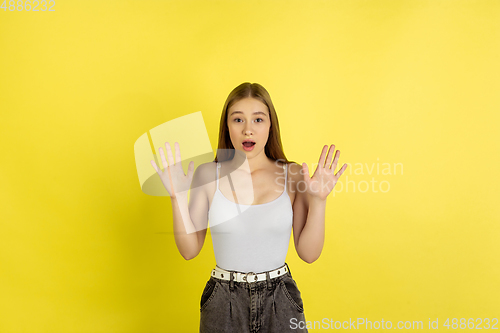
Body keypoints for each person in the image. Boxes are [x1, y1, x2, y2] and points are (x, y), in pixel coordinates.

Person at [151, 82, 347, 332]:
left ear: (270, 125)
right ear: (227, 126)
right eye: (238, 120)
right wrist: (177, 196)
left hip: (280, 299)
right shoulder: (208, 174)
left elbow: (309, 254)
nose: (247, 130)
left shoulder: (292, 175)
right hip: (224, 301)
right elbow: (189, 250)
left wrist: (319, 201)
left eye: (257, 120)